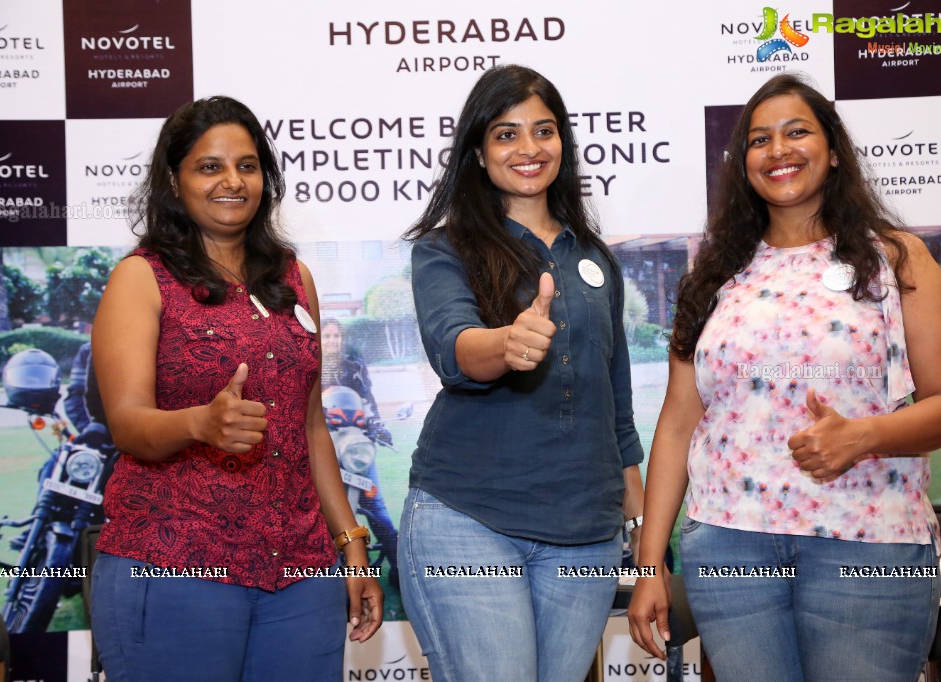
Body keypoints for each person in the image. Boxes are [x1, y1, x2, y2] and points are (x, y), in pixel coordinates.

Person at [627, 73, 941, 681]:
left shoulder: (896, 259)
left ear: (833, 150)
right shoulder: (712, 279)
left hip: (870, 540)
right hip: (731, 546)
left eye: (796, 132)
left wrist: (862, 435)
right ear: (744, 164)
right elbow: (679, 422)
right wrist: (651, 562)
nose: (778, 150)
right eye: (760, 140)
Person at [89, 96, 383, 682]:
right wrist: (198, 423)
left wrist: (350, 541)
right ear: (174, 182)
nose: (232, 181)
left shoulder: (294, 277)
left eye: (247, 166)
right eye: (210, 167)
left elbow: (310, 425)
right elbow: (126, 425)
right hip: (174, 566)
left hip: (300, 575)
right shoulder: (141, 278)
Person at [399, 64, 645, 682]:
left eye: (544, 130)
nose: (529, 149)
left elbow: (615, 409)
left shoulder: (595, 259)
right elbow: (453, 347)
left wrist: (642, 532)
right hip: (469, 518)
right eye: (506, 134)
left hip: (586, 530)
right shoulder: (443, 248)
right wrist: (507, 342)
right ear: (479, 152)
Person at [320, 318, 400, 586]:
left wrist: (377, 426)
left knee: (376, 504)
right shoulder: (311, 366)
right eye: (327, 336)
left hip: (355, 444)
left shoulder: (354, 367)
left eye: (335, 336)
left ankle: (398, 566)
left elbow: (368, 403)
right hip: (325, 446)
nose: (332, 341)